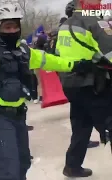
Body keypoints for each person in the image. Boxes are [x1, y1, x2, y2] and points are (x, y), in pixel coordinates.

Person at [0, 4, 97, 180]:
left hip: (17, 116)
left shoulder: (22, 51)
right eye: (8, 26)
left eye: (15, 26)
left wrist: (74, 65)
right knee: (8, 170)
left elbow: (48, 60)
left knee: (23, 163)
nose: (12, 30)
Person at [56, 0, 112, 177]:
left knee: (81, 126)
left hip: (71, 85)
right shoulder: (95, 23)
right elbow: (110, 53)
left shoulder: (64, 25)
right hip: (93, 84)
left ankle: (72, 166)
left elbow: (58, 55)